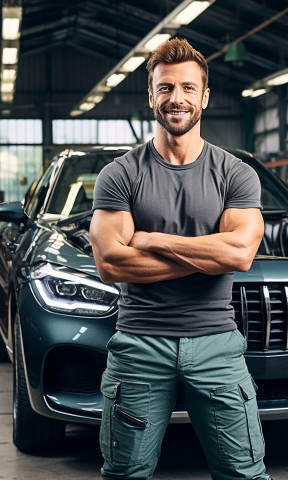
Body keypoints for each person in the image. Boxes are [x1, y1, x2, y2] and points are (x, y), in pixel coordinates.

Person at [90, 37, 271, 480]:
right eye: (166, 87)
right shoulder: (120, 174)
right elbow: (112, 263)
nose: (177, 98)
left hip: (216, 343)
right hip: (139, 343)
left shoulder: (235, 173)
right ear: (151, 95)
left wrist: (150, 239)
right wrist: (210, 254)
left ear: (204, 97)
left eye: (189, 88)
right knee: (124, 474)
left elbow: (240, 253)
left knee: (244, 474)